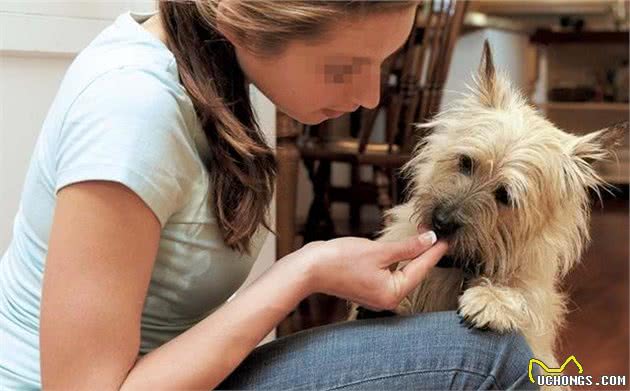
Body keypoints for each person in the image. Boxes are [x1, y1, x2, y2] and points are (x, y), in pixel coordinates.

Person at [0, 1, 538, 389]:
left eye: (383, 64)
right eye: (345, 67)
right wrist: (305, 272)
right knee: (491, 359)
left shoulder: (209, 67)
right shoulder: (131, 113)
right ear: (241, 22)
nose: (369, 94)